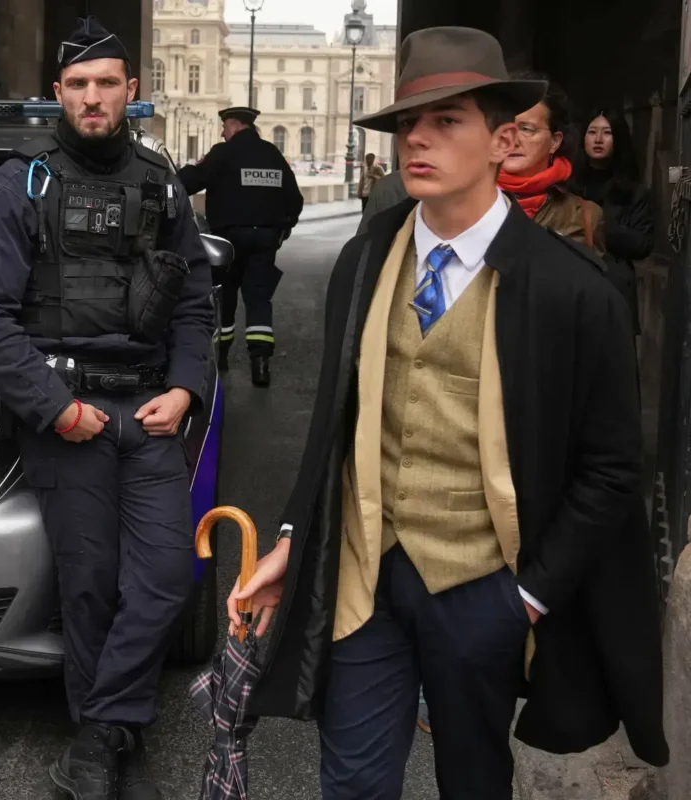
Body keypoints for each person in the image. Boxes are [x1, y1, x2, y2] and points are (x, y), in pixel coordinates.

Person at [228, 26, 668, 799]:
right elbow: (335, 424)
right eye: (407, 123)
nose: (417, 139)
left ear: (503, 141)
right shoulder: (366, 258)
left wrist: (526, 597)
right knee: (353, 782)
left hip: (480, 587)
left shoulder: (572, 290)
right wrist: (296, 537)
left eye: (446, 120)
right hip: (365, 576)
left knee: (472, 781)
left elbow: (610, 471)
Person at [0, 17, 213, 800]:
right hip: (69, 416)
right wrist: (56, 409)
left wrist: (184, 388)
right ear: (57, 94)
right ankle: (109, 745)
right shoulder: (21, 185)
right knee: (92, 584)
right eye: (78, 85)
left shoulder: (162, 183)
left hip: (149, 411)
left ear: (131, 91)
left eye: (106, 83)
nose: (92, 97)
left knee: (167, 577)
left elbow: (194, 303)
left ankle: (100, 735)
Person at [178, 106, 302, 387]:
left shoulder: (223, 152)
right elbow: (294, 199)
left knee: (225, 297)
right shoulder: (272, 154)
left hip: (229, 239)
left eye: (225, 128)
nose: (223, 133)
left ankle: (220, 358)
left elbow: (191, 181)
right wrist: (282, 229)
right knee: (259, 298)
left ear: (233, 125)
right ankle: (261, 364)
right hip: (266, 238)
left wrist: (170, 179)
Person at [496, 77, 604, 251]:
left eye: (526, 129)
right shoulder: (465, 204)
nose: (513, 140)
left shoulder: (584, 216)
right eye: (504, 128)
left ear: (555, 141)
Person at [572, 109, 653, 331]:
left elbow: (643, 244)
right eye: (592, 132)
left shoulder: (634, 192)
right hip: (570, 285)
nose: (598, 139)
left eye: (607, 132)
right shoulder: (566, 186)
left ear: (618, 139)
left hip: (614, 288)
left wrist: (598, 224)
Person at [356, 170, 410, 235]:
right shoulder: (385, 186)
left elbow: (381, 176)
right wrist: (360, 191)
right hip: (366, 194)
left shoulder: (378, 171)